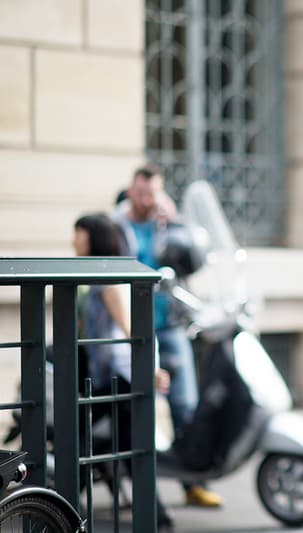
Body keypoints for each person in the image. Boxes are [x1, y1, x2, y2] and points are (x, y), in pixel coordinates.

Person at [113, 165, 223, 508]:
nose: (146, 200)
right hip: (132, 328)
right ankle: (139, 490)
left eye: (152, 193)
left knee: (185, 404)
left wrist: (176, 223)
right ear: (131, 191)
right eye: (140, 192)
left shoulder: (170, 225)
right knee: (135, 407)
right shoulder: (117, 226)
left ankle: (193, 483)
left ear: (161, 195)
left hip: (170, 325)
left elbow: (195, 261)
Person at [72, 213, 174, 529]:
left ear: (93, 238)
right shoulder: (99, 275)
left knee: (80, 436)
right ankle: (156, 516)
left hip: (119, 377)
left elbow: (133, 330)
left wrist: (152, 369)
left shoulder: (108, 280)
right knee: (114, 442)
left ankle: (64, 507)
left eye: (79, 234)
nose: (74, 240)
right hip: (112, 376)